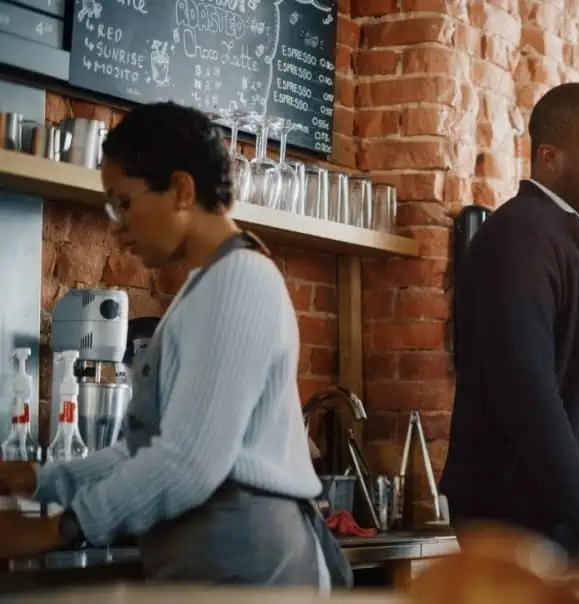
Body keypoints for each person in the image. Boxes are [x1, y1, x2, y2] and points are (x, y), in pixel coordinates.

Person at [0, 102, 352, 589]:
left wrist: (53, 529)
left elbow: (188, 463)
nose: (117, 224)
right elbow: (143, 452)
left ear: (182, 190)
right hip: (211, 569)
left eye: (124, 203)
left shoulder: (241, 280)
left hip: (252, 569)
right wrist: (39, 480)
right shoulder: (202, 289)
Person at [440, 82, 579, 568]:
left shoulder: (575, 235)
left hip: (569, 502)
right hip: (525, 514)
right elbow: (527, 396)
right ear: (549, 158)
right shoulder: (521, 237)